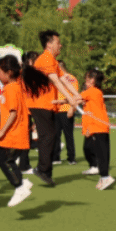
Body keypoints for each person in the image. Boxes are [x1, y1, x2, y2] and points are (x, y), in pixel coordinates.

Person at [30, 31, 85, 185]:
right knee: (48, 136)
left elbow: (64, 79)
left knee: (51, 136)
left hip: (48, 104)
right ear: (49, 44)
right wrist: (70, 99)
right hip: (40, 104)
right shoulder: (45, 59)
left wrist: (76, 95)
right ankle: (42, 169)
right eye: (57, 42)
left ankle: (45, 171)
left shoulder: (52, 60)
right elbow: (56, 81)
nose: (60, 45)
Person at [0, 55, 33, 207]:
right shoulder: (18, 87)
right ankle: (22, 182)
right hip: (16, 133)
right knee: (2, 158)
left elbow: (13, 112)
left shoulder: (11, 88)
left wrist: (2, 131)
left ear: (8, 73)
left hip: (13, 134)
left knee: (4, 160)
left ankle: (20, 187)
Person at [79, 69, 115, 190]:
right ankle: (98, 170)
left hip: (98, 126)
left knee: (101, 153)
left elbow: (76, 98)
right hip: (94, 126)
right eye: (87, 78)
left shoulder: (93, 91)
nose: (87, 81)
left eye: (90, 78)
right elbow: (78, 99)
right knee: (89, 148)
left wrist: (60, 101)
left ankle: (105, 176)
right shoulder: (91, 92)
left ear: (95, 81)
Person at [57, 61, 79, 164]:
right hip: (56, 109)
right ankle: (56, 157)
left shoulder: (70, 78)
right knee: (56, 134)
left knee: (68, 135)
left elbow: (75, 95)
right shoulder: (56, 78)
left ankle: (71, 157)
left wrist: (72, 108)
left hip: (66, 109)